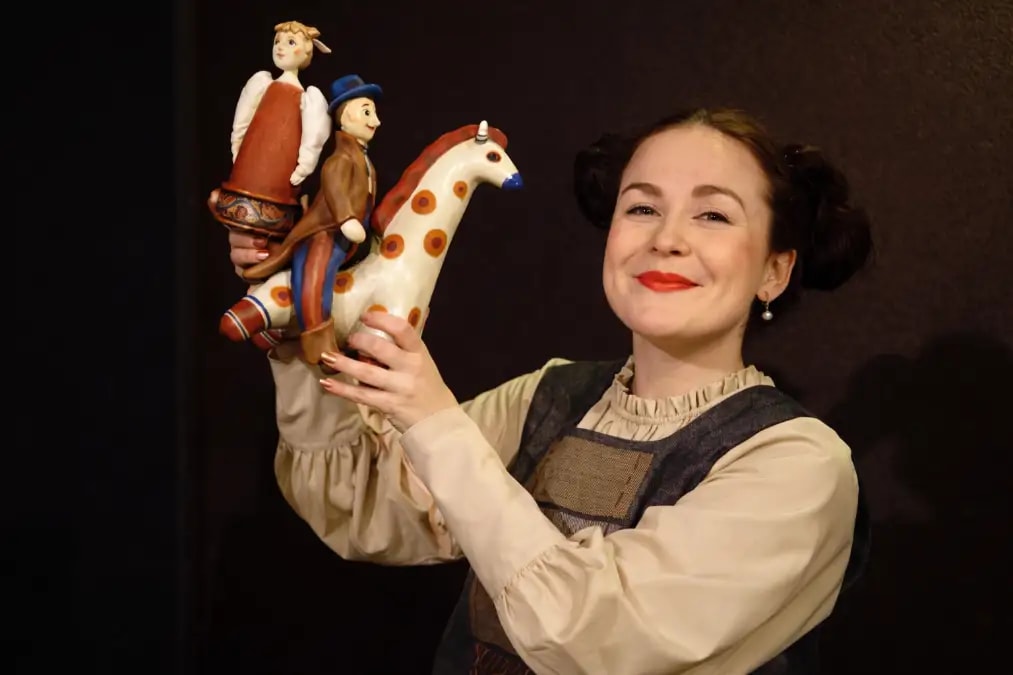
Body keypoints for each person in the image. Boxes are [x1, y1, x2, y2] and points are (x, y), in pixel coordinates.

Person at [226, 107, 873, 674]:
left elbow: (597, 641)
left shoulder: (797, 466)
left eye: (712, 215)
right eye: (641, 207)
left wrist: (433, 421)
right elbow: (360, 500)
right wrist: (304, 320)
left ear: (774, 270)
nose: (666, 239)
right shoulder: (549, 397)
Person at [239, 74, 383, 365]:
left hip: (354, 238)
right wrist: (346, 219)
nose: (376, 121)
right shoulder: (341, 159)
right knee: (315, 278)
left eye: (374, 113)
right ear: (346, 116)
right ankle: (320, 347)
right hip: (327, 230)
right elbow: (334, 186)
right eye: (367, 112)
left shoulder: (363, 158)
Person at [209, 21, 332, 243]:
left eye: (290, 42)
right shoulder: (262, 83)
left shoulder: (307, 98)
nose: (280, 47)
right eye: (277, 41)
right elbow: (243, 116)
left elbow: (313, 135)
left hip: (281, 162)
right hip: (252, 156)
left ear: (306, 52)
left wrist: (305, 165)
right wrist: (238, 143)